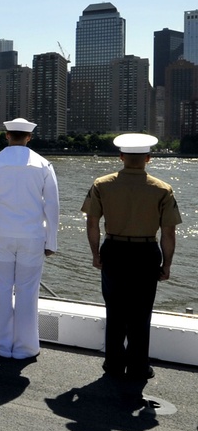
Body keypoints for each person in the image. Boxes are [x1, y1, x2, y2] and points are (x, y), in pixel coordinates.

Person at [81, 133, 180, 381]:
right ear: (148, 158)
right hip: (146, 253)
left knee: (114, 310)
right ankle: (138, 366)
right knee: (141, 312)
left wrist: (95, 254)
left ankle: (113, 364)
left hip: (114, 250)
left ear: (121, 157)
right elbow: (169, 232)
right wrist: (166, 264)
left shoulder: (102, 184)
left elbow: (92, 223)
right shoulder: (162, 189)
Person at [0, 118, 59, 359]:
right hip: (33, 236)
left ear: (7, 135)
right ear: (29, 137)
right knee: (28, 291)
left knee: (0, 289)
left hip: (0, 235)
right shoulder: (43, 165)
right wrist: (51, 241)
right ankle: (26, 347)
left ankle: (0, 344)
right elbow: (52, 206)